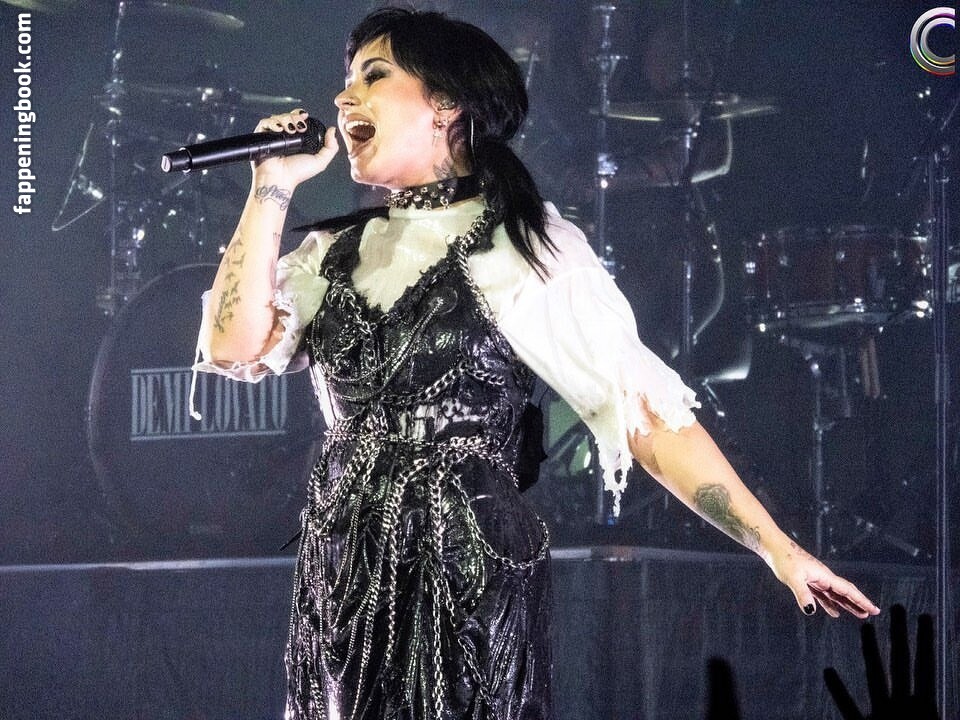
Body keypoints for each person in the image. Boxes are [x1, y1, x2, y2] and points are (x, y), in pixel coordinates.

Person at [193, 8, 880, 720]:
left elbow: (645, 416)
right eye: (347, 80)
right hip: (344, 577)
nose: (344, 98)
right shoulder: (333, 254)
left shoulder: (523, 247)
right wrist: (271, 185)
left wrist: (777, 548)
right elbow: (231, 346)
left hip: (463, 578)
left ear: (445, 104)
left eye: (374, 76)